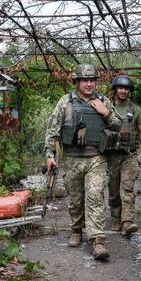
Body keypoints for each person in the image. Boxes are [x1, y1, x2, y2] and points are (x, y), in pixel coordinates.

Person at [44, 64, 122, 260]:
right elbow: (53, 130)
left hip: (96, 158)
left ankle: (98, 241)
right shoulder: (66, 102)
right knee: (76, 200)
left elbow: (118, 125)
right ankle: (77, 229)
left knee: (95, 196)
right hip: (72, 160)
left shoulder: (103, 100)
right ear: (77, 82)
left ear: (96, 82)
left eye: (92, 80)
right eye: (85, 80)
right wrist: (50, 155)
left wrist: (106, 113)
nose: (89, 84)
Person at [107, 75, 141, 236]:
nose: (123, 91)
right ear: (115, 90)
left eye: (126, 88)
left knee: (128, 188)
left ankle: (127, 222)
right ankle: (116, 219)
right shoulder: (108, 107)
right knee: (113, 190)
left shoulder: (135, 109)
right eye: (120, 88)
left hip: (130, 155)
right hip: (112, 156)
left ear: (129, 91)